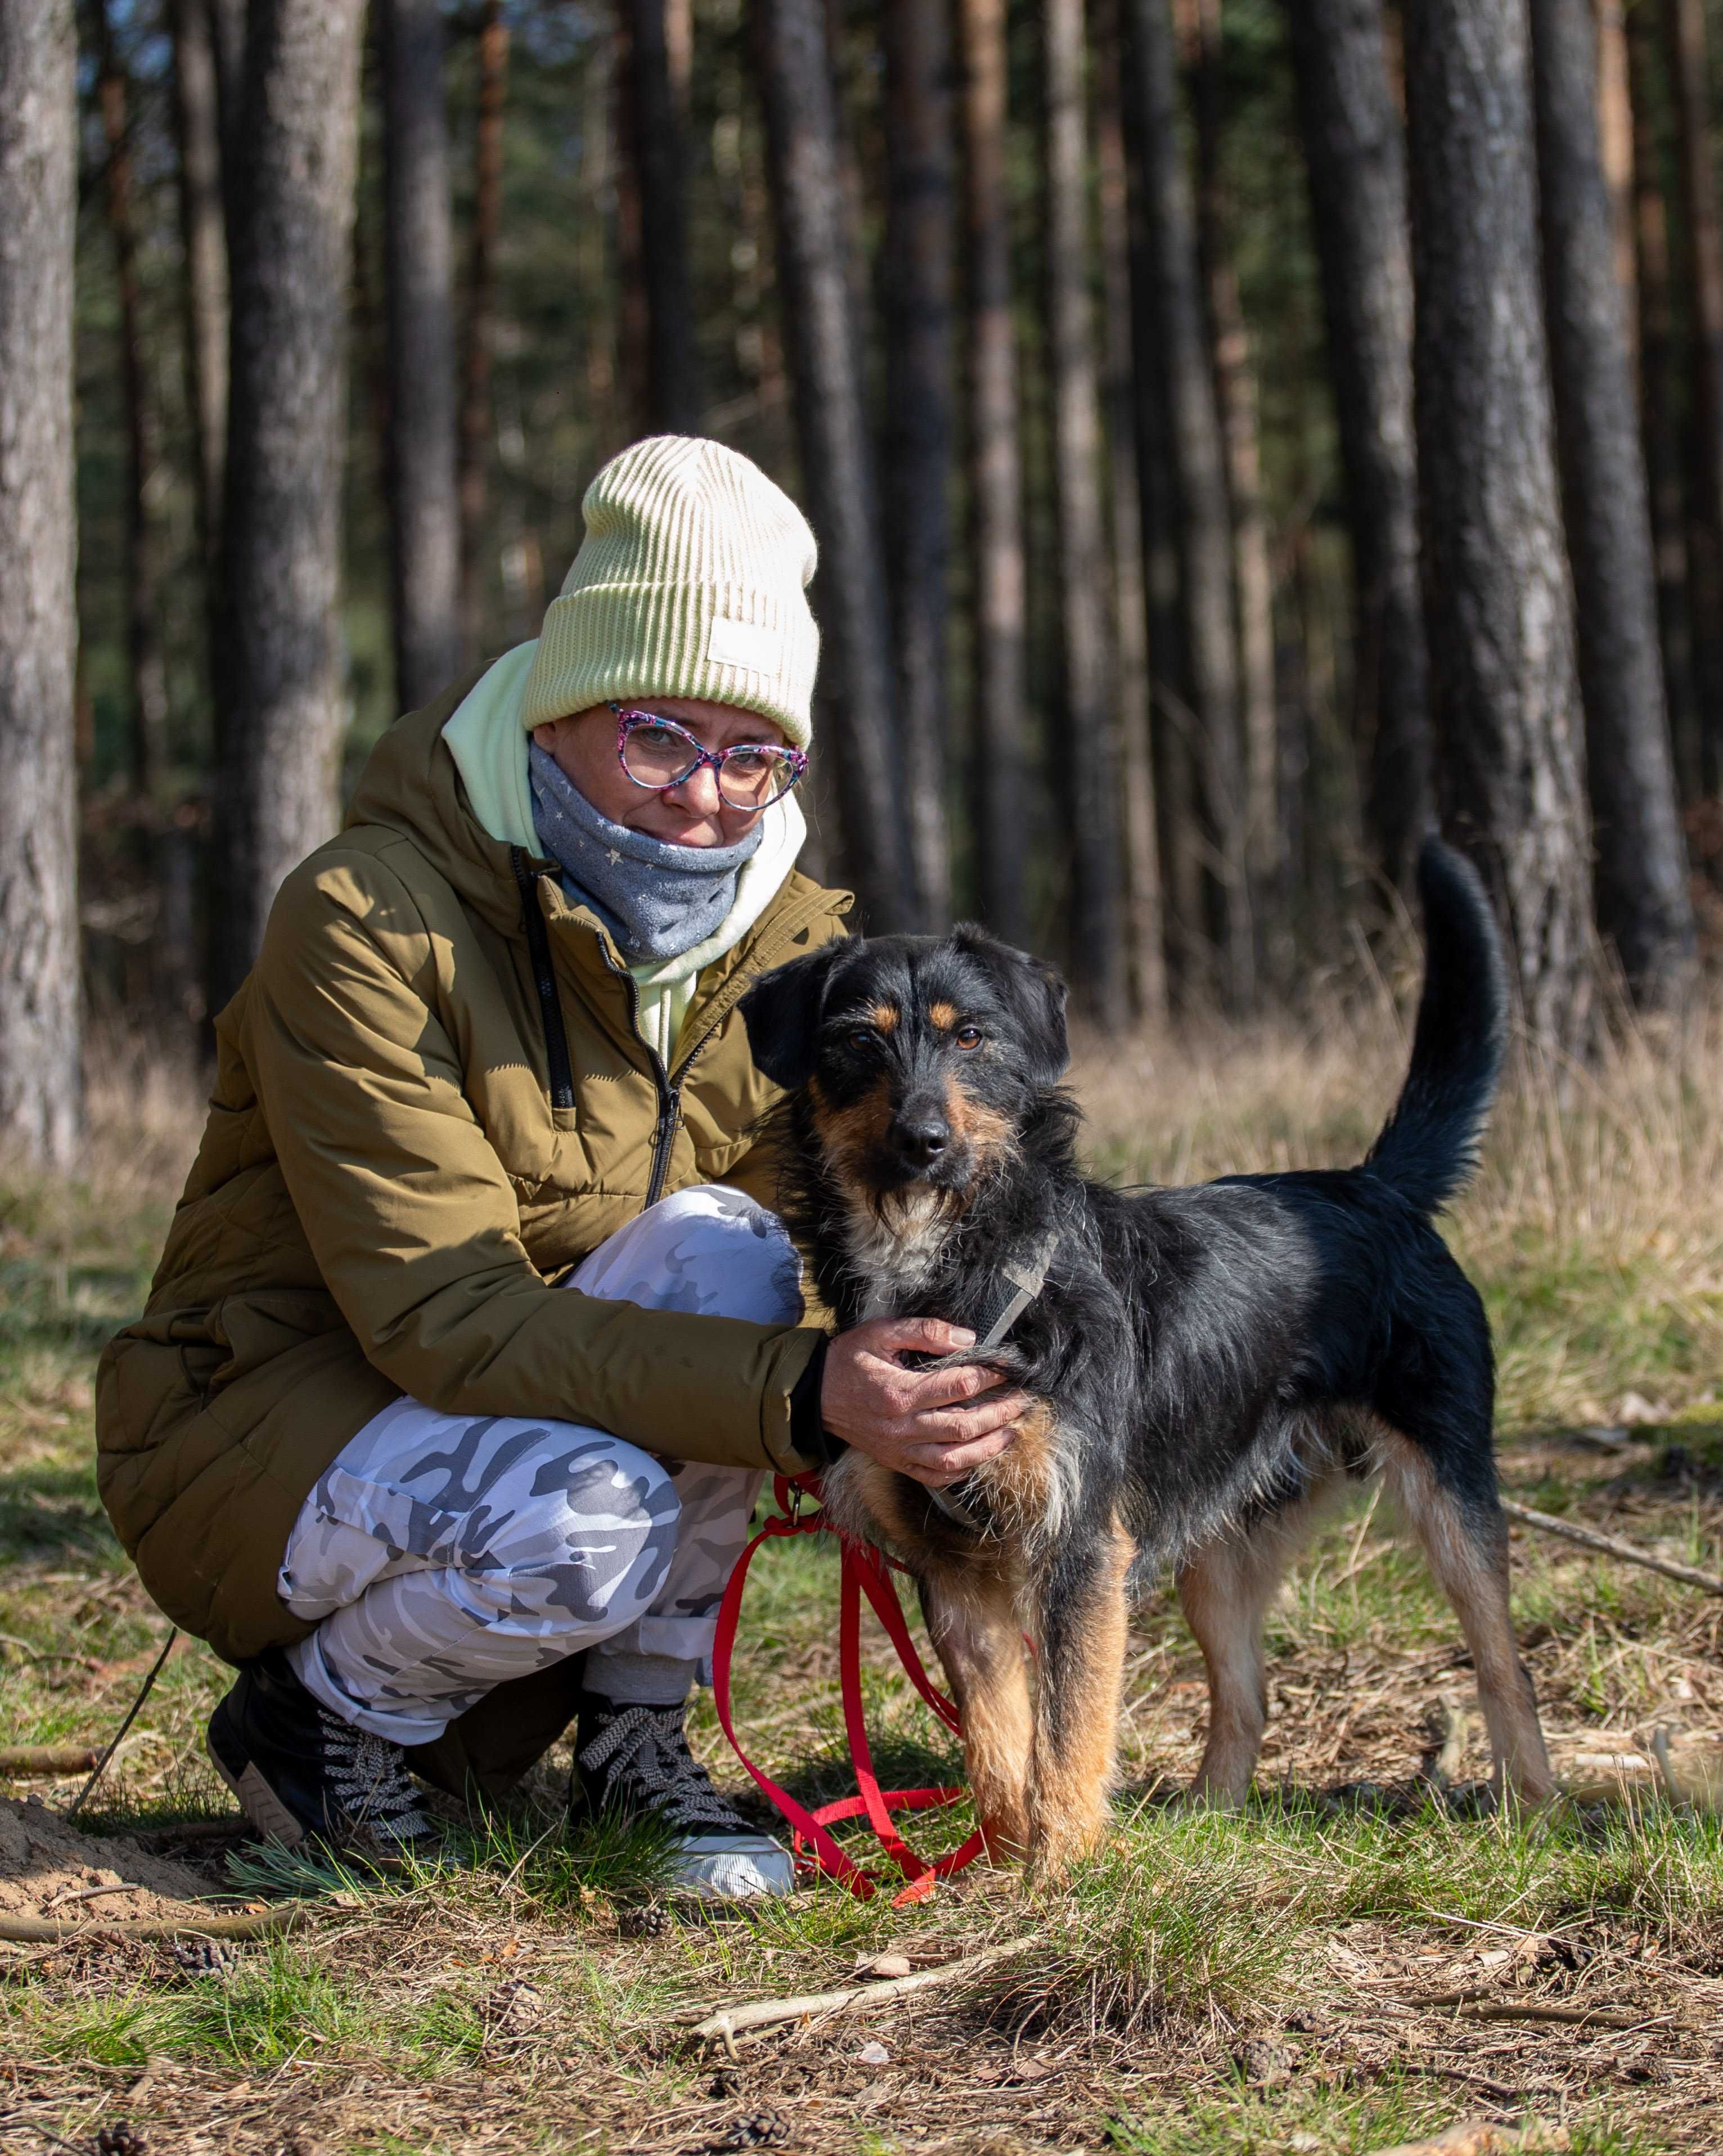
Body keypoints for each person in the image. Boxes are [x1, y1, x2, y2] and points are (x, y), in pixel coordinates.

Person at [96, 436, 1025, 1900]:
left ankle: (632, 1740)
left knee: (730, 1250)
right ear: (564, 701)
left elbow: (799, 1251)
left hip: (534, 1430)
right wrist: (809, 1397)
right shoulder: (366, 920)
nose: (704, 797)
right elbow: (442, 1315)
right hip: (265, 1426)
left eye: (751, 753)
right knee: (596, 1510)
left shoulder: (782, 950)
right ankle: (316, 1724)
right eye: (658, 734)